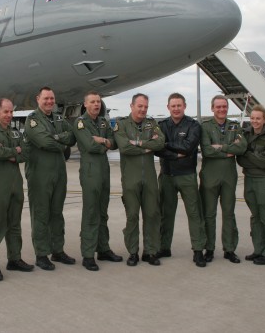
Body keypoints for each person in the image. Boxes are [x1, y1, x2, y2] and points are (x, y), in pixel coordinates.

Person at [24, 87, 77, 270]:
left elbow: (72, 137)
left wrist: (57, 138)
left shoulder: (59, 118)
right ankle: (41, 253)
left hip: (59, 173)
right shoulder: (32, 120)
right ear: (38, 99)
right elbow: (43, 141)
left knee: (57, 213)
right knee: (40, 213)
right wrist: (60, 142)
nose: (49, 102)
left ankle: (58, 250)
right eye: (46, 98)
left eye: (52, 98)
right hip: (40, 174)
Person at [0, 99, 34, 282]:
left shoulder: (14, 132)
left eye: (11, 112)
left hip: (15, 184)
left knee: (14, 224)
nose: (9, 115)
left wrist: (11, 152)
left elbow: (26, 153)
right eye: (5, 112)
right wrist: (14, 151)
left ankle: (15, 258)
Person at [72, 91, 123, 271]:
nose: (96, 105)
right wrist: (105, 145)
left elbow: (115, 142)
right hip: (90, 172)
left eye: (98, 102)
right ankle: (87, 254)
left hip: (104, 171)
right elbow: (89, 145)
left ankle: (103, 248)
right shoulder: (80, 123)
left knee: (103, 212)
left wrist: (103, 141)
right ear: (85, 104)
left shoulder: (103, 122)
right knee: (91, 212)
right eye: (93, 102)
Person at [155, 93, 207, 267]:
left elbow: (189, 147)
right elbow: (157, 148)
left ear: (185, 106)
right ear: (168, 107)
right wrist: (177, 154)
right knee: (165, 213)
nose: (176, 109)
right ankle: (164, 247)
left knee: (194, 213)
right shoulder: (161, 126)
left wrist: (167, 144)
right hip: (167, 175)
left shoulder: (193, 125)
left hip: (187, 175)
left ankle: (198, 250)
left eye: (179, 105)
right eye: (173, 106)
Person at [113, 93, 165, 266]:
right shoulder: (121, 124)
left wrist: (138, 143)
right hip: (130, 179)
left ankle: (150, 252)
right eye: (140, 106)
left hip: (149, 178)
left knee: (152, 214)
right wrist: (147, 146)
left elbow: (160, 143)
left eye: (145, 107)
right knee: (132, 216)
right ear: (132, 106)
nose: (143, 110)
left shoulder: (152, 124)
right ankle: (133, 252)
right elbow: (124, 147)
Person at [199, 95, 247, 264]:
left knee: (229, 213)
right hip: (210, 176)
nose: (221, 109)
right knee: (209, 214)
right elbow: (206, 150)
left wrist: (220, 147)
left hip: (228, 176)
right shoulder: (205, 127)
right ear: (212, 108)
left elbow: (242, 147)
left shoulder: (234, 127)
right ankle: (209, 248)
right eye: (218, 107)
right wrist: (228, 151)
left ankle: (230, 249)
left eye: (224, 106)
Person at [236, 105, 265, 265]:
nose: (255, 121)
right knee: (256, 216)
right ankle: (259, 249)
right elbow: (239, 159)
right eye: (253, 118)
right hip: (249, 180)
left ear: (264, 120)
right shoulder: (246, 134)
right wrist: (251, 158)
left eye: (258, 118)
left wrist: (247, 154)